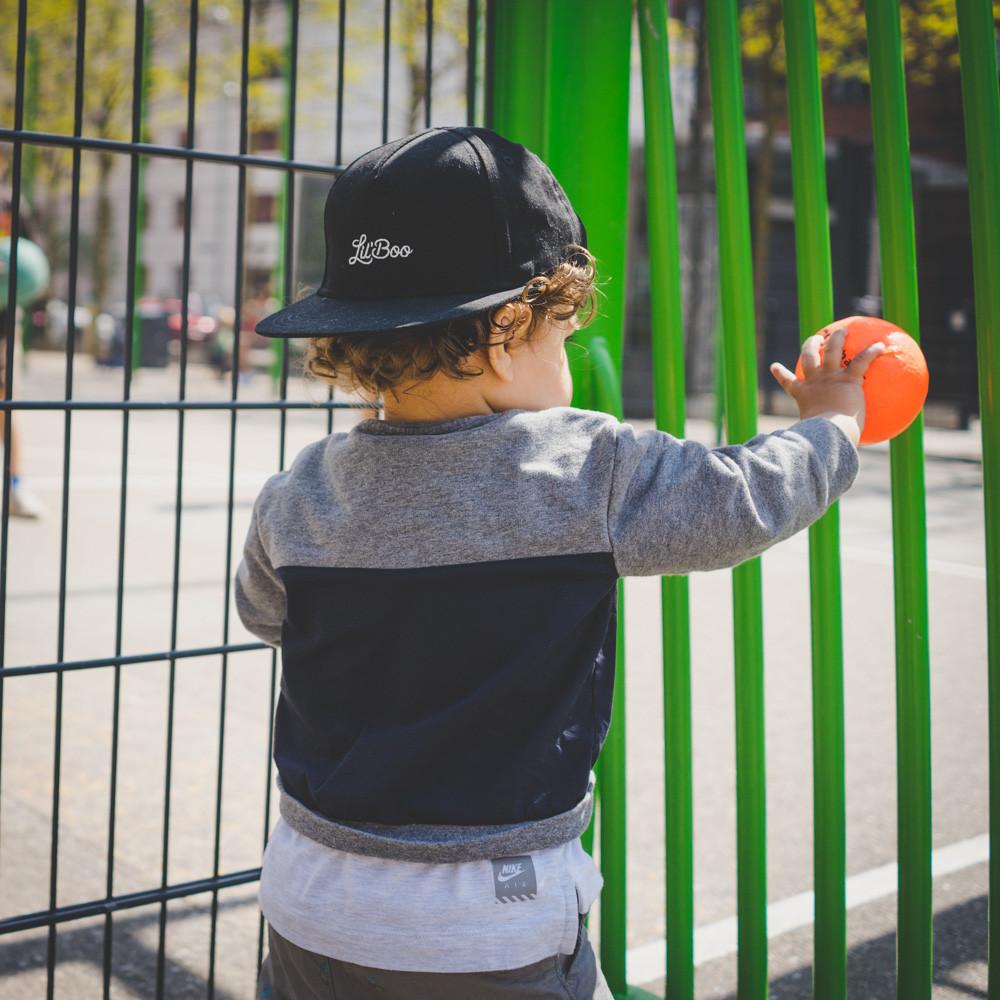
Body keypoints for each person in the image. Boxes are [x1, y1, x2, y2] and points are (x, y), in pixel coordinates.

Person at [234, 126, 883, 1000]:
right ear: (508, 330)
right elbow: (740, 501)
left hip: (311, 896)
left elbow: (264, 613)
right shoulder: (583, 468)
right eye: (563, 334)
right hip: (487, 921)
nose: (569, 356)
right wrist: (834, 422)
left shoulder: (301, 490)